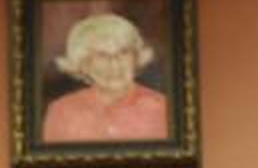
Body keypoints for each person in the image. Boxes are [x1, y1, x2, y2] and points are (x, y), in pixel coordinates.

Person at [41, 12, 170, 143]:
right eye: (101, 55)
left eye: (123, 52)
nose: (114, 64)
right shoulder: (61, 111)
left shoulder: (163, 109)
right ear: (83, 64)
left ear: (136, 58)